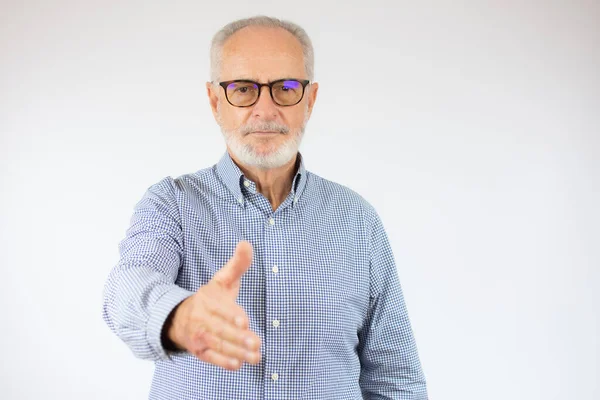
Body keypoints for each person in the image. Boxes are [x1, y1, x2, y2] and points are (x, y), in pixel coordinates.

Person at [102, 15, 428, 400]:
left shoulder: (359, 220)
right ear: (214, 101)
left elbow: (394, 380)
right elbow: (126, 288)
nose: (265, 109)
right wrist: (179, 316)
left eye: (286, 88)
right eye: (243, 89)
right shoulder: (172, 203)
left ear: (310, 99)